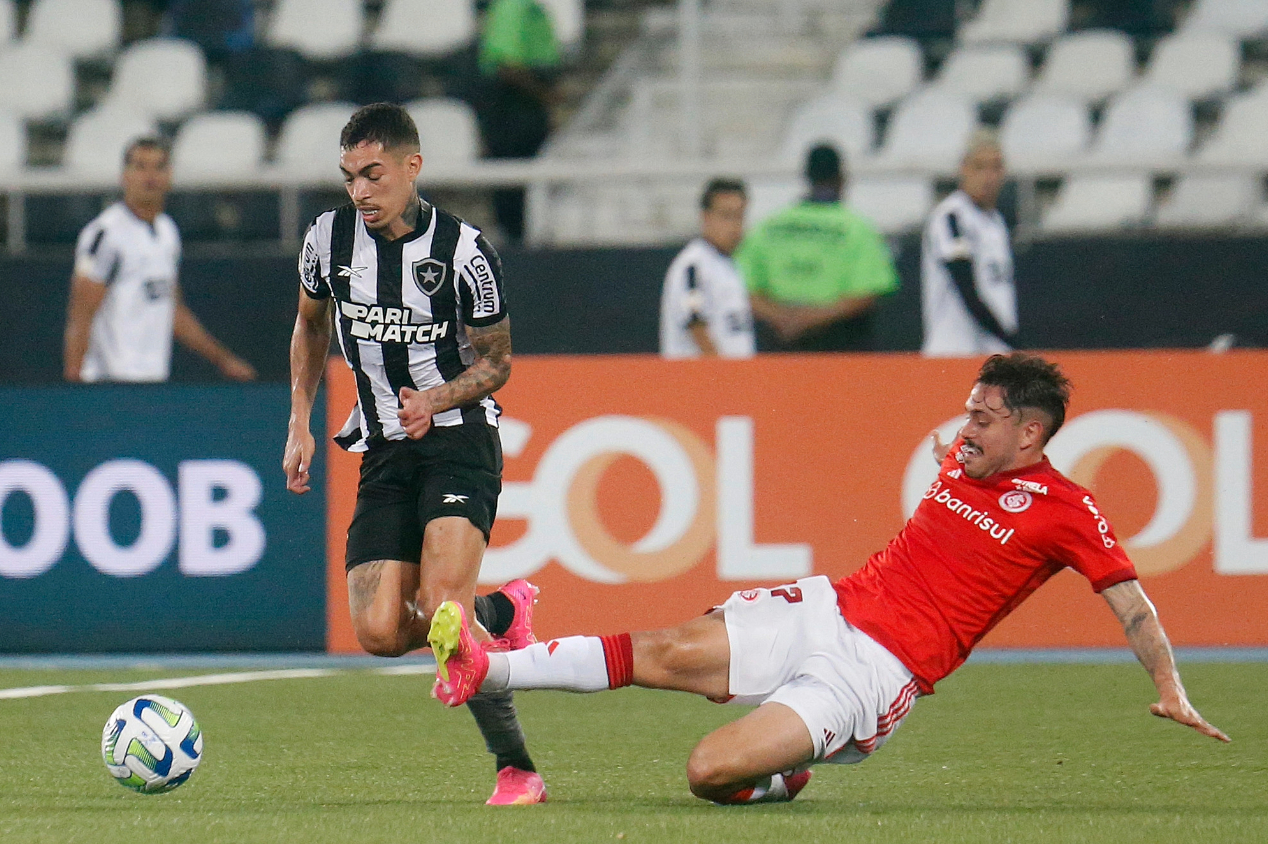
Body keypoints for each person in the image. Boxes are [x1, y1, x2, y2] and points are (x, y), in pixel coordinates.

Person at [428, 352, 1229, 805]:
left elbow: (1132, 603)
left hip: (876, 669)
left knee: (709, 773)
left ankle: (783, 778)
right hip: (828, 605)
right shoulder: (963, 455)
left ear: (1031, 431)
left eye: (984, 418)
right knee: (661, 647)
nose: (965, 428)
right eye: (967, 411)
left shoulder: (1066, 508)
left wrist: (1169, 684)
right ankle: (484, 664)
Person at [282, 103, 547, 805]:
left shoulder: (463, 251)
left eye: (373, 175)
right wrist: (300, 423)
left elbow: (498, 361)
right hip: (384, 449)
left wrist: (437, 398)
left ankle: (516, 768)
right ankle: (500, 613)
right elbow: (310, 329)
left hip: (459, 439)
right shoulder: (326, 241)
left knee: (441, 611)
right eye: (348, 178)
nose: (360, 192)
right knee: (375, 631)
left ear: (411, 167)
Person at [63, 138, 257, 383]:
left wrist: (223, 359)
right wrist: (75, 387)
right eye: (140, 167)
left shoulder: (167, 231)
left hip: (153, 382)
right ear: (125, 175)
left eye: (159, 167)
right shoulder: (106, 235)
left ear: (170, 175)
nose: (150, 176)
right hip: (109, 384)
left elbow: (172, 310)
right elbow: (81, 315)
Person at [734, 144, 899, 352]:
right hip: (837, 344)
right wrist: (809, 319)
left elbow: (744, 288)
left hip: (780, 342)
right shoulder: (857, 227)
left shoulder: (769, 225)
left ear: (806, 176)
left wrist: (784, 319)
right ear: (841, 178)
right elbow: (866, 294)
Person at [921, 130, 1019, 357]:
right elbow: (964, 283)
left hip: (994, 353)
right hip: (954, 352)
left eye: (995, 167)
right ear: (963, 168)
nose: (988, 177)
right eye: (979, 167)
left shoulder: (996, 221)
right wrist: (1009, 338)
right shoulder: (951, 217)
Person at [476, 0, 561, 243]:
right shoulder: (511, 7)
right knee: (512, 180)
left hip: (526, 105)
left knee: (527, 180)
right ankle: (514, 239)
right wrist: (546, 95)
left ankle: (519, 236)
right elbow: (507, 66)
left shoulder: (532, 9)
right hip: (512, 107)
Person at [659, 178, 755, 359]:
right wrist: (721, 377)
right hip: (702, 382)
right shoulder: (693, 266)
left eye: (740, 216)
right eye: (726, 216)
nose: (735, 226)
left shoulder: (729, 265)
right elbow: (696, 323)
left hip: (736, 381)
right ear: (706, 217)